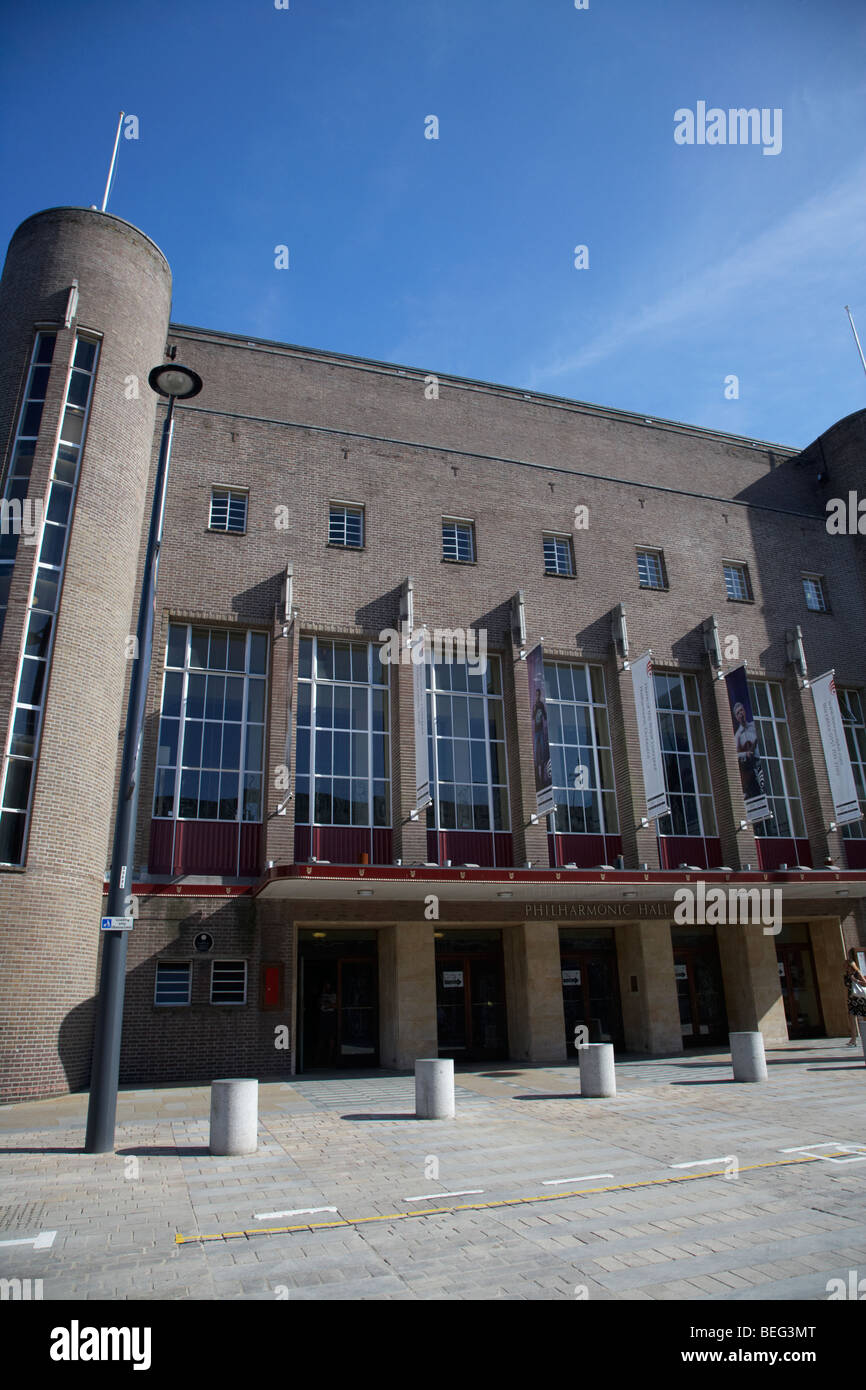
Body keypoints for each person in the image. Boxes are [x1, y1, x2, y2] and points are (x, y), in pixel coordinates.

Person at [843, 950, 866, 1047]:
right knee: (852, 1018)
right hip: (852, 999)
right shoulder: (846, 975)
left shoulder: (857, 973)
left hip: (861, 999)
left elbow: (865, 983)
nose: (844, 966)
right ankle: (853, 1039)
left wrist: (855, 980)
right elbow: (847, 988)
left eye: (846, 965)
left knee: (864, 1018)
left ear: (850, 965)